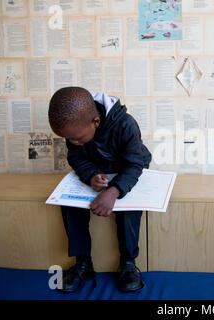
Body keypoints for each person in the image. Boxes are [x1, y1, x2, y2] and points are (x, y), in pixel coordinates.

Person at [48, 87, 152, 293]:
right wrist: (91, 175)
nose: (73, 142)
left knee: (129, 209)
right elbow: (75, 158)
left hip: (127, 169)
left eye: (77, 139)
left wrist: (113, 191)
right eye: (69, 139)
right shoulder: (75, 129)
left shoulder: (126, 124)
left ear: (95, 122)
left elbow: (134, 165)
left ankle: (128, 263)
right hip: (99, 172)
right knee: (69, 206)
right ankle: (83, 263)